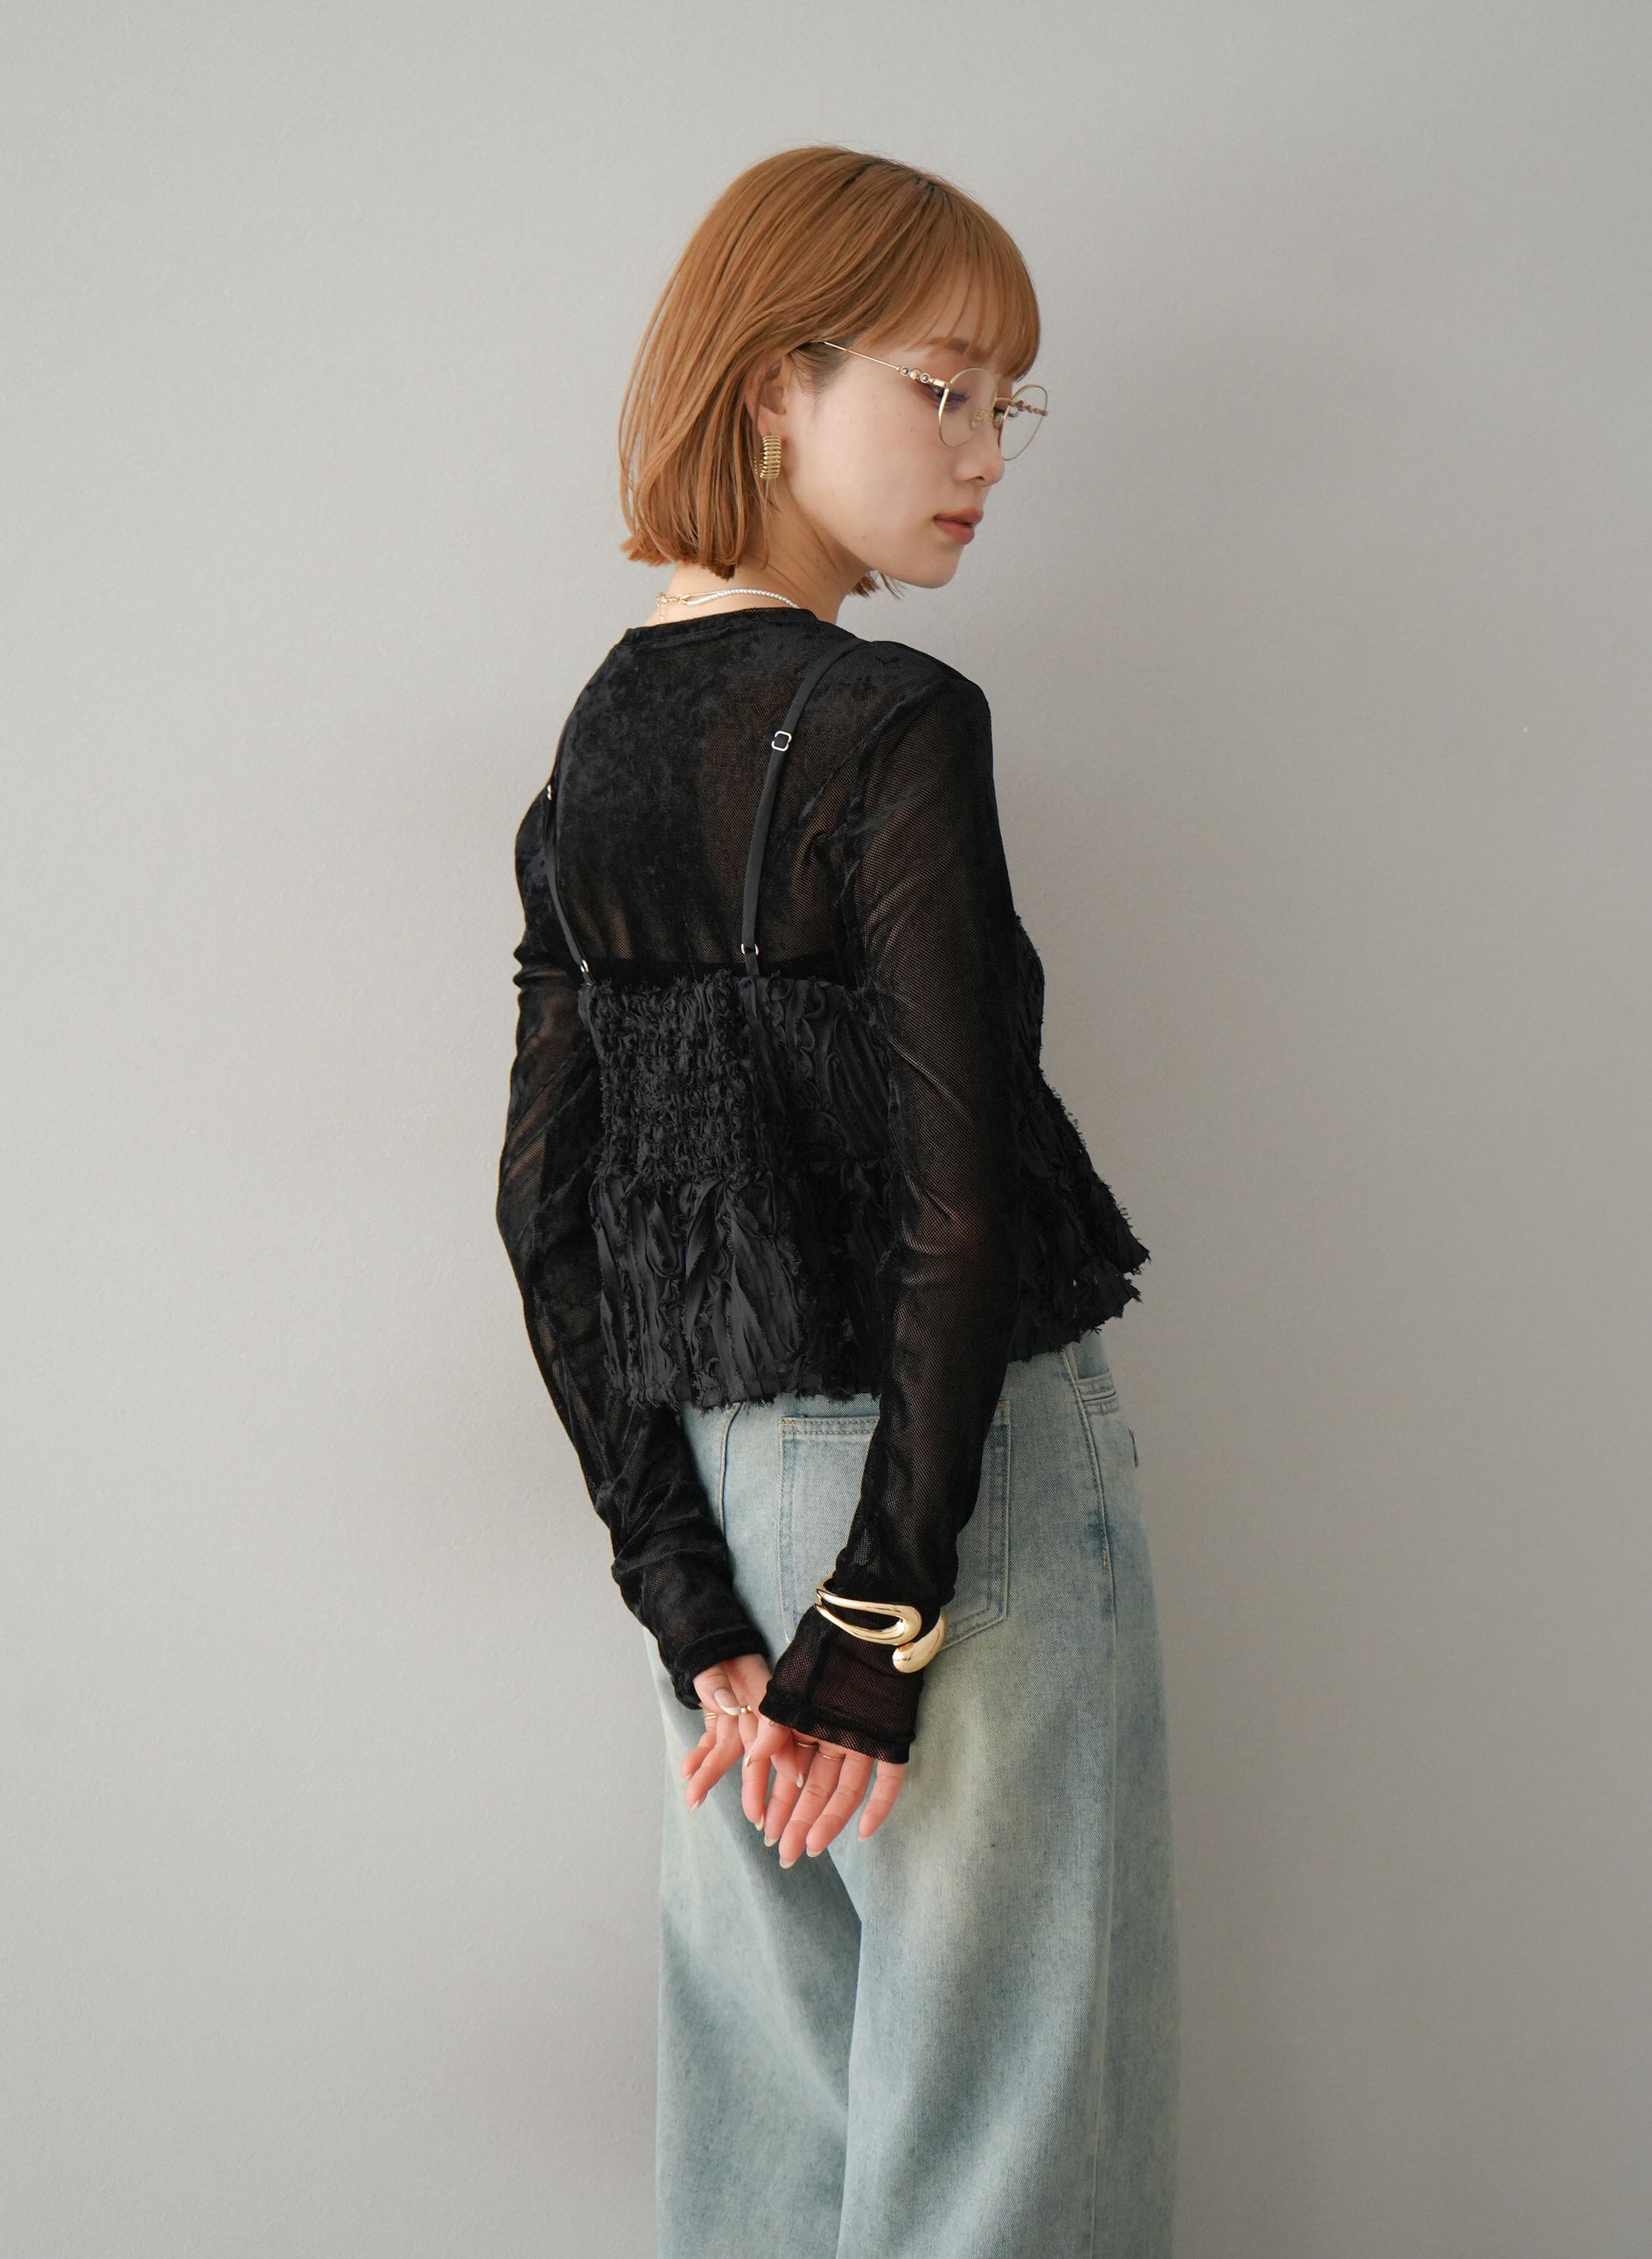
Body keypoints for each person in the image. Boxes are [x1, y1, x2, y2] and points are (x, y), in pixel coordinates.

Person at [496, 144, 1179, 2259]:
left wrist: (688, 1602)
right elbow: (955, 1205)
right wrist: (879, 1621)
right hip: (944, 1500)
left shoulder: (592, 749)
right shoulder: (892, 722)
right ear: (771, 389)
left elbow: (544, 1215)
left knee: (767, 2140)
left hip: (717, 1498)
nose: (986, 455)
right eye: (941, 389)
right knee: (1004, 2142)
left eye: (1007, 404)